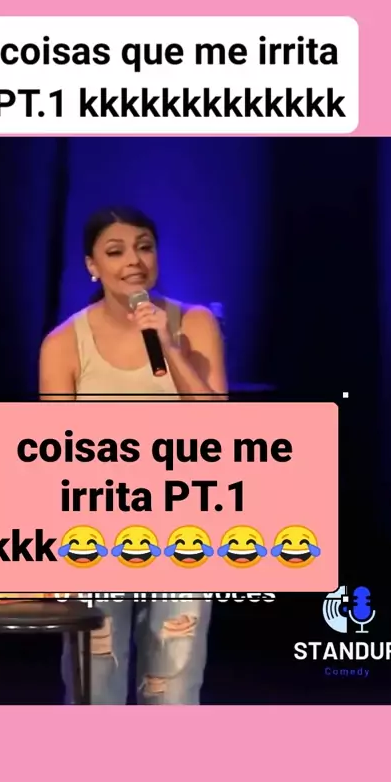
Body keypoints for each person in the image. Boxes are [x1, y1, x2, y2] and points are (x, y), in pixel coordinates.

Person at [39, 205, 228, 704]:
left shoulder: (194, 323)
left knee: (175, 679)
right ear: (92, 265)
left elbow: (222, 429)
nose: (134, 261)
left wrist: (168, 345)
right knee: (95, 678)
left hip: (185, 521)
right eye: (116, 251)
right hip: (95, 525)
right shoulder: (63, 343)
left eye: (145, 247)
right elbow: (52, 452)